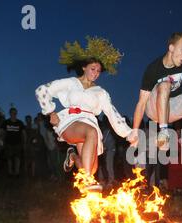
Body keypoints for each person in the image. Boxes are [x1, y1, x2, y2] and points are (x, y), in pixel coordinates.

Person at [35, 37, 133, 192]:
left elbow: (112, 114)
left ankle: (73, 156)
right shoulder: (71, 83)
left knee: (91, 168)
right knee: (91, 134)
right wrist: (50, 112)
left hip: (89, 123)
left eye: (99, 71)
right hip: (71, 121)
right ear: (84, 67)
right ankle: (87, 182)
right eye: (92, 69)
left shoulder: (101, 92)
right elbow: (42, 90)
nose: (95, 74)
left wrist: (129, 133)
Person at [1, 107, 25, 178]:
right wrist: (1, 142)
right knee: (9, 158)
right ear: (10, 113)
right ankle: (10, 173)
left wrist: (24, 143)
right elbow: (2, 132)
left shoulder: (20, 123)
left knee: (17, 158)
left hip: (18, 143)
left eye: (15, 113)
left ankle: (17, 173)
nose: (13, 114)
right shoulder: (6, 122)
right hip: (8, 143)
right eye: (12, 112)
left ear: (16, 113)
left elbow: (23, 133)